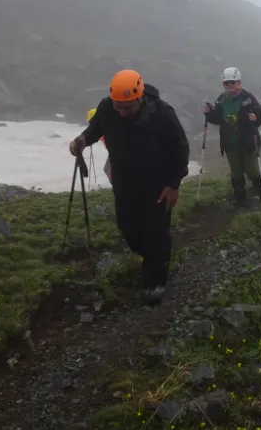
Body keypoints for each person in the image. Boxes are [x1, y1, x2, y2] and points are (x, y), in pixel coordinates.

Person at [69, 70, 189, 303]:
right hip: (124, 181)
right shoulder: (107, 107)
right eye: (118, 107)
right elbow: (95, 128)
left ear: (140, 98)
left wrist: (173, 185)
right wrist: (82, 141)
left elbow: (180, 148)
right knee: (128, 229)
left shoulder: (162, 113)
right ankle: (155, 258)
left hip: (157, 184)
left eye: (128, 108)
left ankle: (155, 282)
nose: (122, 112)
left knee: (155, 231)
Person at [203, 67, 261, 205]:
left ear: (239, 82)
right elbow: (217, 118)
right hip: (230, 143)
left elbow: (260, 114)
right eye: (226, 83)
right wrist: (209, 113)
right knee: (236, 172)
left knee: (252, 170)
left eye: (233, 82)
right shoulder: (221, 100)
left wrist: (256, 117)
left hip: (248, 142)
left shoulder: (248, 98)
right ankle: (240, 198)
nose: (229, 85)